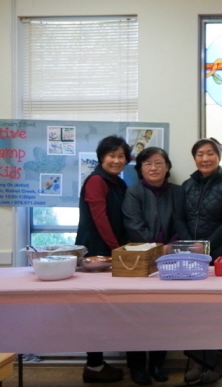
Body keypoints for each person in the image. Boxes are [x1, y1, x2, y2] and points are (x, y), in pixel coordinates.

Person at [122, 147, 187, 384]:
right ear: (140, 169)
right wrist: (158, 248)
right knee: (136, 315)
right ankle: (137, 366)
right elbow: (134, 225)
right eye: (148, 164)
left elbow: (182, 223)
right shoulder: (133, 192)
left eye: (159, 163)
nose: (153, 168)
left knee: (164, 314)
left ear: (167, 167)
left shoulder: (178, 192)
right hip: (139, 262)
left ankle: (158, 363)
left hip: (170, 261)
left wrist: (172, 246)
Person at [182, 138, 222, 384]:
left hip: (221, 255)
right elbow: (179, 219)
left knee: (219, 310)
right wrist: (190, 245)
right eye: (200, 154)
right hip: (191, 257)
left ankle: (219, 360)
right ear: (194, 158)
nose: (205, 158)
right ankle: (199, 360)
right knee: (194, 309)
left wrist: (206, 244)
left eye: (210, 153)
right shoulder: (186, 186)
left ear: (218, 157)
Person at [74, 135, 130, 384]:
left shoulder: (117, 182)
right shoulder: (97, 181)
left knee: (104, 310)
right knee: (93, 310)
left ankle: (96, 363)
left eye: (121, 156)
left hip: (111, 252)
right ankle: (94, 365)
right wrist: (117, 250)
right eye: (111, 156)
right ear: (101, 158)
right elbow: (100, 219)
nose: (116, 160)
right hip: (97, 255)